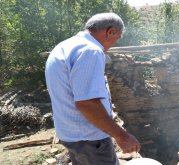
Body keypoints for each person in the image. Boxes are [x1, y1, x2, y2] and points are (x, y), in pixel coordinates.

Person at [45, 13, 140, 165]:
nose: (116, 42)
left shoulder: (64, 47)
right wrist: (122, 136)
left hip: (71, 135)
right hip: (90, 139)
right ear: (110, 32)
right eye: (119, 36)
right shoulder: (91, 51)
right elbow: (87, 103)